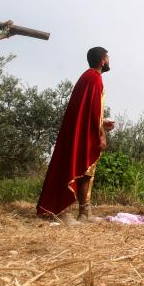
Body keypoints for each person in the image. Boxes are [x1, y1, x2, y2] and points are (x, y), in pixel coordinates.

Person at [36, 47, 115, 222]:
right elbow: (93, 112)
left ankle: (84, 212)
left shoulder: (88, 78)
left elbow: (89, 112)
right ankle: (63, 211)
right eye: (108, 57)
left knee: (84, 170)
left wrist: (102, 123)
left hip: (82, 130)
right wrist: (101, 135)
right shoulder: (93, 78)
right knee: (76, 167)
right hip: (84, 133)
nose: (109, 60)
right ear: (102, 60)